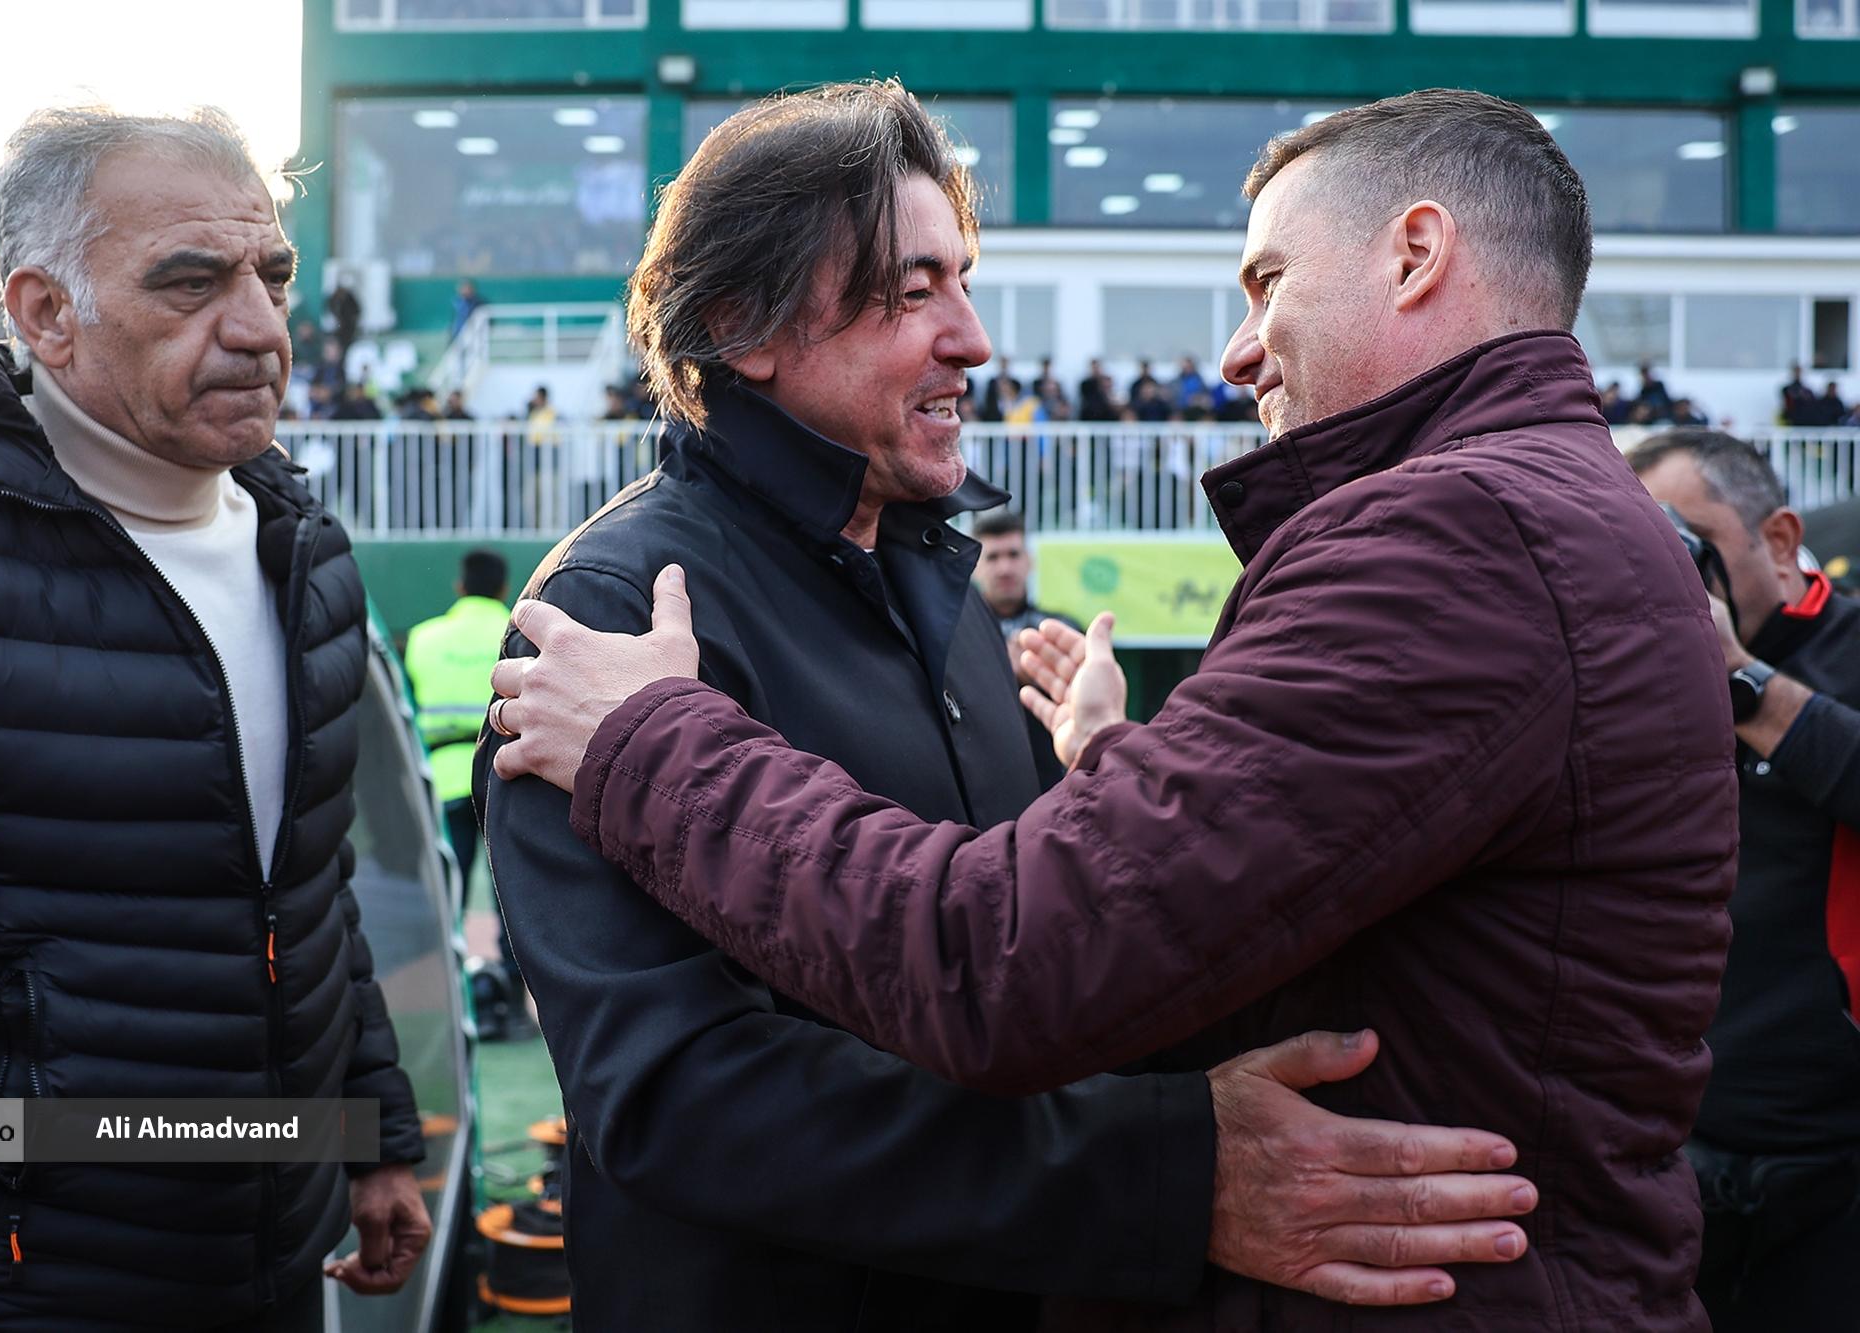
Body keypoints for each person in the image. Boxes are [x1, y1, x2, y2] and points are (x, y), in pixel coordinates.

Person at [487, 88, 1738, 1331]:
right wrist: (1165, 1173)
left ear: (1416, 257)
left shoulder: (946, 592)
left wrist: (1157, 1160)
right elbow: (677, 1093)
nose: (976, 339)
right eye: (913, 291)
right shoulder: (611, 625)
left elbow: (1057, 946)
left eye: (963, 282)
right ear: (740, 324)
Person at [0, 107, 429, 1331]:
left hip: (271, 1261)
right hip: (0, 1283)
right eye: (191, 282)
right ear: (45, 312)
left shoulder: (305, 546)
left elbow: (307, 890)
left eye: (273, 274)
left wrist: (371, 1133)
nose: (261, 327)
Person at [1628, 429, 1860, 1332]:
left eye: (1687, 540)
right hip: (1664, 1148)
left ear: (1779, 538)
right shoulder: (1632, 667)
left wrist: (1737, 675)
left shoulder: (1845, 644)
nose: (1669, 568)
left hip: (1831, 1162)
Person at [404, 549, 513, 893]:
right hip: (505, 777)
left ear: (460, 586)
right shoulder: (520, 636)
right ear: (504, 589)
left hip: (444, 777)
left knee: (449, 887)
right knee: (510, 892)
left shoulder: (423, 639)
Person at [971, 510, 1079, 790]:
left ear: (1029, 561)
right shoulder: (956, 633)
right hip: (979, 783)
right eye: (993, 557)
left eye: (1013, 554)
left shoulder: (1060, 627)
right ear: (974, 565)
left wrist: (1039, 665)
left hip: (1052, 782)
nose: (1005, 568)